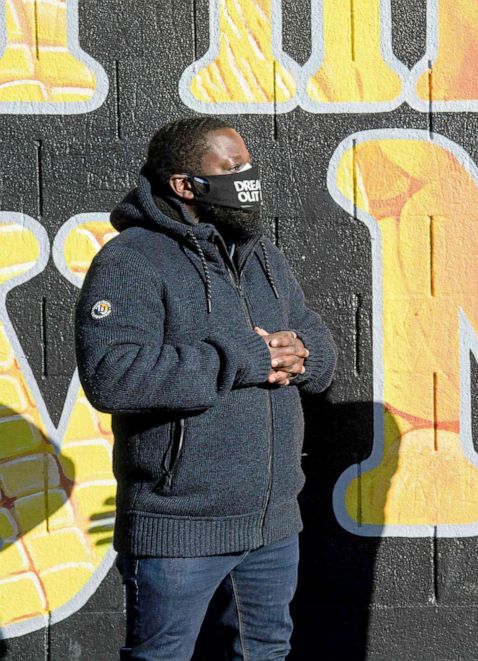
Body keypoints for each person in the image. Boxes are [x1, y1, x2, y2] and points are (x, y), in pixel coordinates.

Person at [74, 118, 337, 660]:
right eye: (231, 167)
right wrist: (245, 357)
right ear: (183, 184)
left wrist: (302, 356)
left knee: (266, 653)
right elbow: (112, 375)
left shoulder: (260, 253)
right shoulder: (132, 260)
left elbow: (317, 342)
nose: (247, 176)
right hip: (179, 528)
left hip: (272, 521)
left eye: (248, 163)